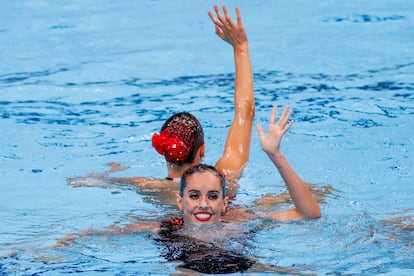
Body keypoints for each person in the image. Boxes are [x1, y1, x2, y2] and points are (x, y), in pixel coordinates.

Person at [57, 105, 321, 274]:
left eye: (213, 196)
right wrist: (56, 245)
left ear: (224, 203)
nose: (203, 203)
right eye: (194, 196)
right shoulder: (164, 227)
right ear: (180, 201)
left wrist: (275, 155)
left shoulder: (240, 222)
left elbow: (309, 213)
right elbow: (97, 235)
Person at [68, 4, 254, 200]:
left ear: (163, 151)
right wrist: (240, 47)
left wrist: (109, 174)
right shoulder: (223, 182)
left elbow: (93, 181)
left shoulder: (150, 187)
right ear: (202, 150)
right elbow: (245, 113)